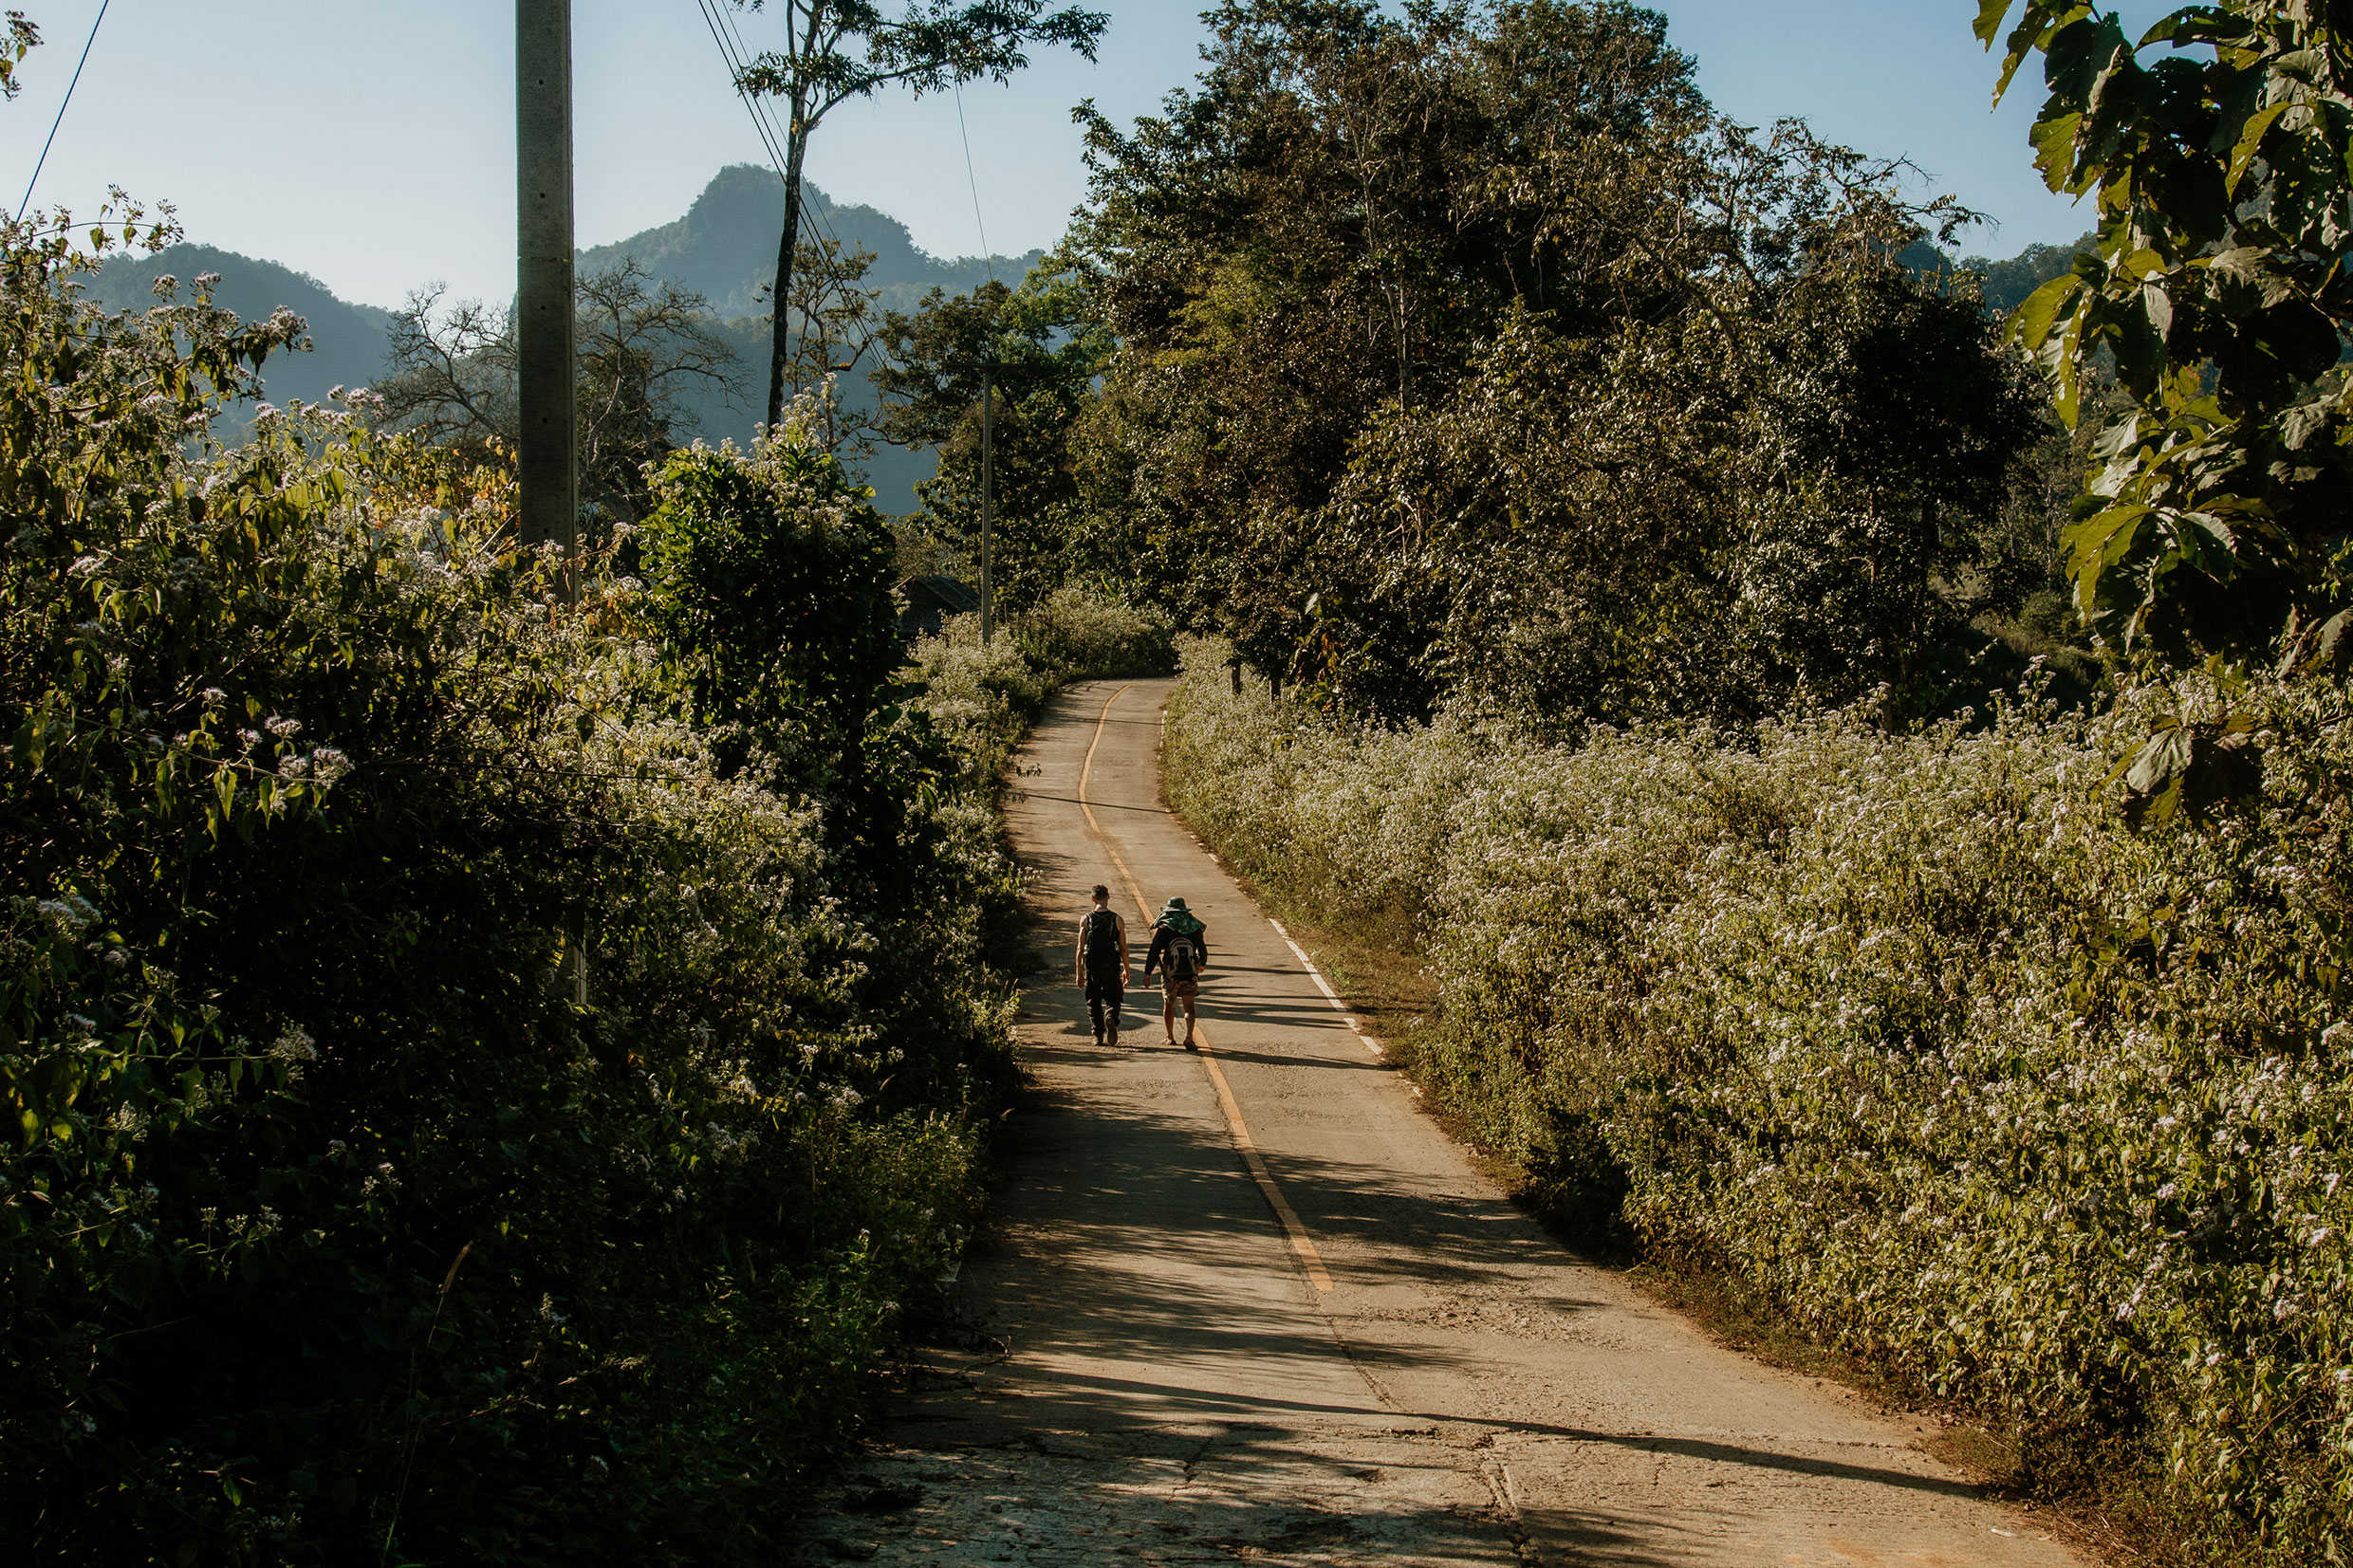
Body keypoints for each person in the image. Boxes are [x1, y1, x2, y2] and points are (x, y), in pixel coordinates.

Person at [1143, 895, 1210, 1049]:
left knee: (1169, 1003)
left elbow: (1154, 952)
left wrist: (1147, 973)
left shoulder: (1165, 928)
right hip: (1190, 972)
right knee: (1189, 1005)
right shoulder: (1194, 926)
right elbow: (1202, 948)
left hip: (1170, 973)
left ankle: (1170, 1037)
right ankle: (1189, 1037)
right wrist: (1202, 965)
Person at [1074, 884, 1129, 1046]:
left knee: (1093, 997)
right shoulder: (1117, 919)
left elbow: (1080, 948)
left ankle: (1098, 1034)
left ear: (1092, 898)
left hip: (1092, 963)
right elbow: (1123, 948)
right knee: (1114, 994)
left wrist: (1079, 972)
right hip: (1111, 962)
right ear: (1108, 897)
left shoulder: (1086, 919)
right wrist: (1127, 969)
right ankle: (1111, 1016)